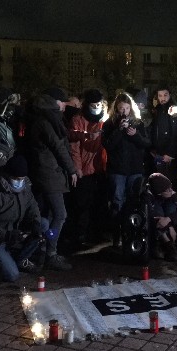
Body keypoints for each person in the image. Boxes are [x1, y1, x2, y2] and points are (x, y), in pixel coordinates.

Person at [25, 87, 76, 270]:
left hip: (50, 172)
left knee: (50, 215)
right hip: (48, 173)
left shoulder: (46, 118)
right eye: (62, 102)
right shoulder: (45, 121)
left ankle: (45, 246)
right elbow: (57, 146)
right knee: (60, 214)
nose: (64, 106)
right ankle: (50, 251)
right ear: (55, 102)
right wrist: (72, 169)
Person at [0, 154, 46, 281]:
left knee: (43, 224)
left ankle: (20, 258)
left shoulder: (25, 186)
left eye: (22, 179)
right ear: (7, 175)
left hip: (15, 231)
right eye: (16, 179)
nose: (19, 182)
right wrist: (6, 235)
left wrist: (35, 223)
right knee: (12, 275)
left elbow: (32, 206)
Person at [102, 92, 151, 246]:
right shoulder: (109, 124)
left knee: (133, 202)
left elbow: (146, 143)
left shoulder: (138, 124)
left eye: (126, 108)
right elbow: (108, 145)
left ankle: (131, 233)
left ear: (131, 108)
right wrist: (119, 130)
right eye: (121, 108)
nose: (124, 111)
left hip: (134, 169)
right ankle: (117, 235)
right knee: (117, 202)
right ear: (116, 108)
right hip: (117, 170)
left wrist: (135, 134)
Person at [67, 88, 108, 245]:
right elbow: (74, 147)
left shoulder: (104, 118)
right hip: (85, 168)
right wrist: (77, 168)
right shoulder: (78, 119)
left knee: (100, 202)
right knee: (83, 204)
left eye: (99, 104)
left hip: (101, 166)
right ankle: (81, 235)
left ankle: (97, 233)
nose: (96, 107)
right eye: (93, 104)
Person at [148, 85, 177, 184]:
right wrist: (153, 149)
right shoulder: (157, 110)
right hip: (157, 153)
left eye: (165, 95)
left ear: (170, 95)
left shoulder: (173, 110)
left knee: (168, 183)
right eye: (160, 95)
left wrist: (171, 153)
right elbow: (154, 130)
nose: (162, 98)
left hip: (168, 155)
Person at [146, 173, 177, 261]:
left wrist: (169, 221)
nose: (171, 190)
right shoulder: (148, 196)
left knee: (171, 206)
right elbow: (151, 217)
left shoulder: (171, 194)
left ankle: (168, 245)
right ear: (160, 192)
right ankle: (166, 244)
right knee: (156, 209)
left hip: (169, 225)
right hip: (155, 229)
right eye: (167, 189)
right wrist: (168, 226)